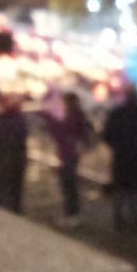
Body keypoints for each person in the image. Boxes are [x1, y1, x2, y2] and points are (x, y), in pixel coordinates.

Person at [102, 85, 137, 231]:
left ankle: (118, 219)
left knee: (119, 188)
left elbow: (106, 136)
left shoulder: (115, 114)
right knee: (135, 189)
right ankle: (134, 220)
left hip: (120, 156)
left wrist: (116, 146)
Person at [41, 91, 96, 226]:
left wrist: (49, 119)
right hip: (70, 153)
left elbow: (62, 131)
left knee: (67, 183)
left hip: (69, 154)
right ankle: (71, 212)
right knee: (68, 183)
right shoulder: (76, 114)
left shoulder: (73, 114)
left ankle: (71, 213)